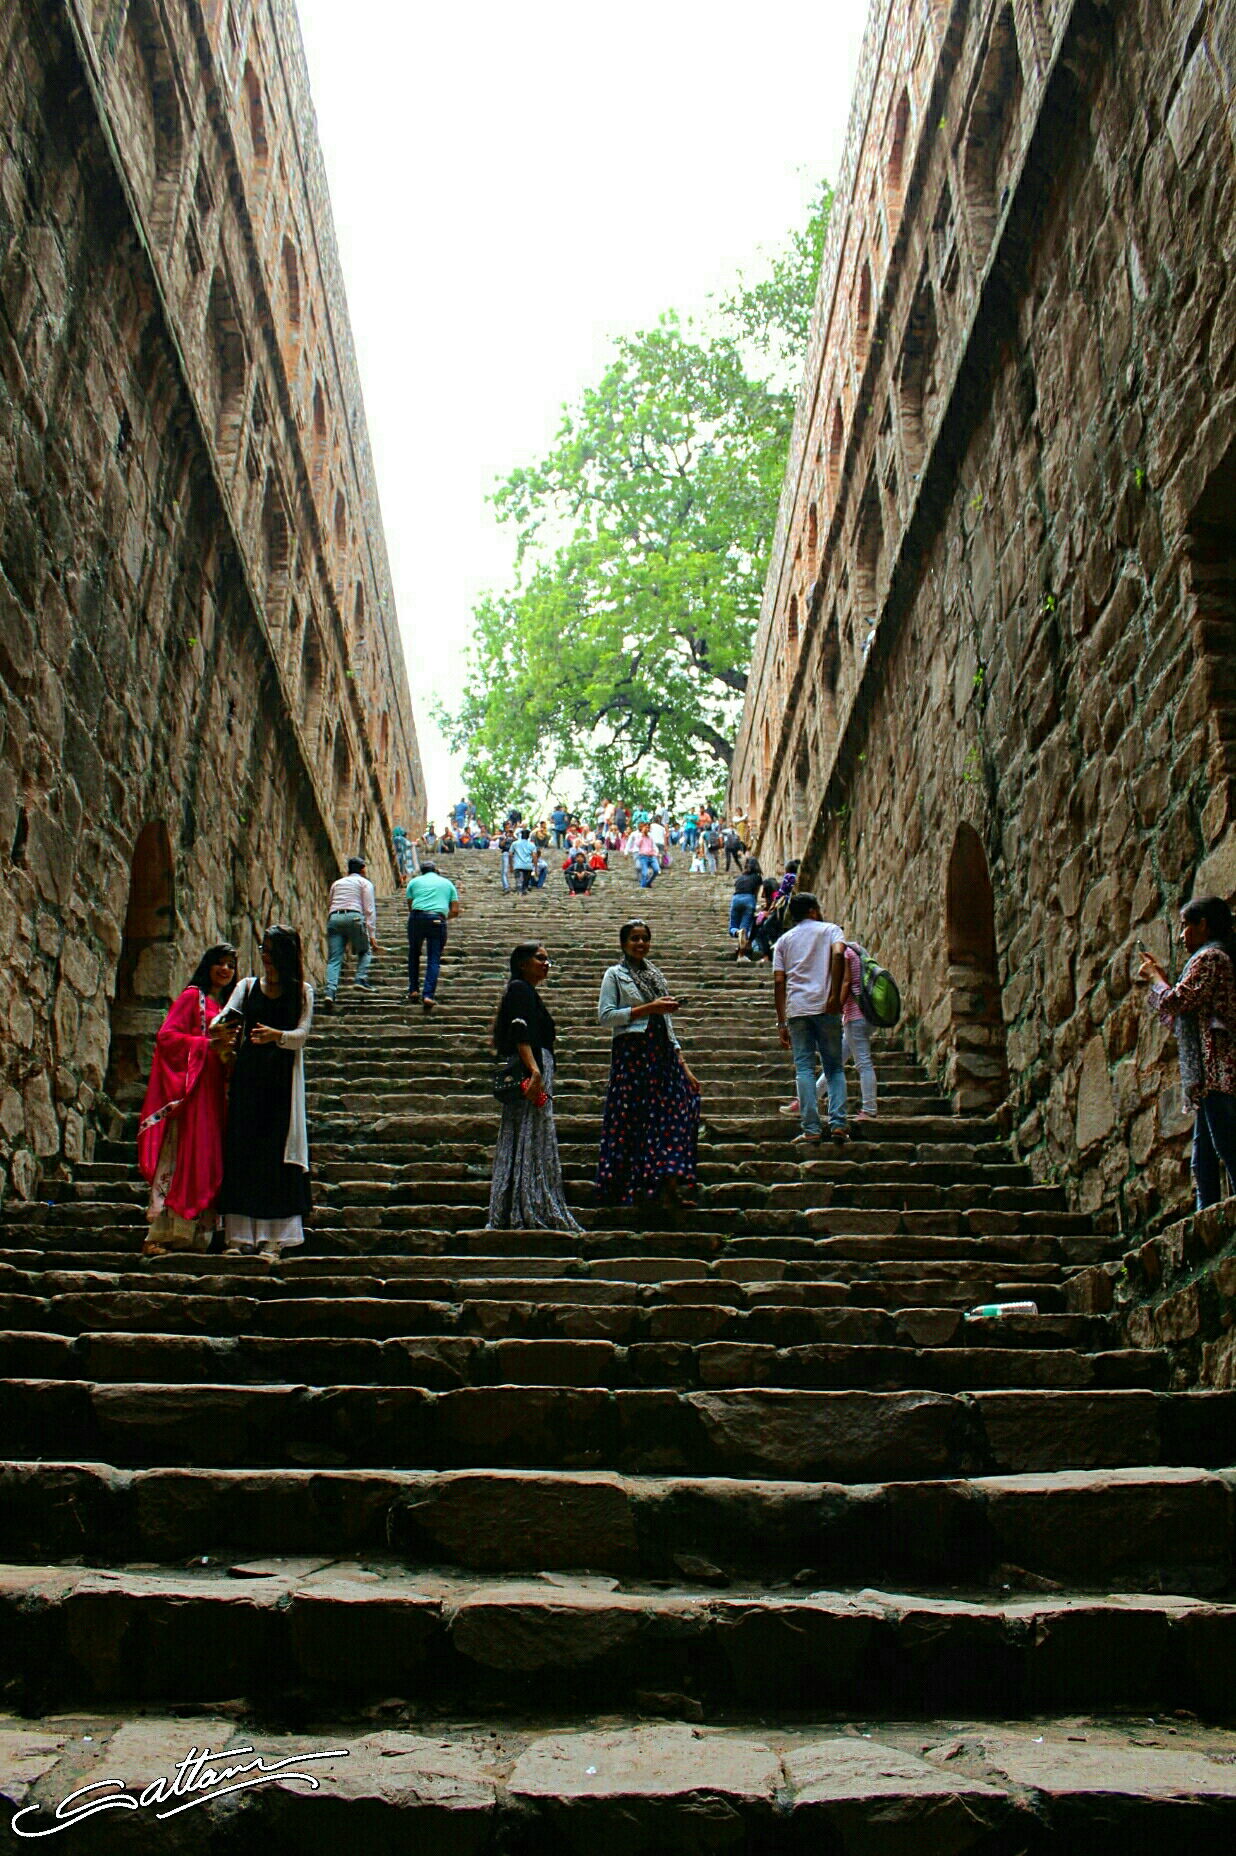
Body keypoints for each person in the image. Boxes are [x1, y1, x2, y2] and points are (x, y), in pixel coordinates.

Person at [217, 925, 313, 1259]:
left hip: (281, 1082)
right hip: (249, 1078)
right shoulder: (246, 987)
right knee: (244, 1151)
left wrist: (276, 1036)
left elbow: (302, 1034)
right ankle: (240, 1237)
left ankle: (275, 1239)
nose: (266, 958)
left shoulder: (302, 991)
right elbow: (224, 1018)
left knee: (276, 1156)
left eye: (272, 952)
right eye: (264, 950)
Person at [137, 942, 238, 1257]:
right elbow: (167, 1037)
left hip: (212, 1094)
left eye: (231, 966)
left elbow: (220, 1053)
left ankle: (195, 1236)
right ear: (208, 965)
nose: (225, 970)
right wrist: (205, 1045)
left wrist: (227, 1053)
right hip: (192, 1092)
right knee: (186, 1160)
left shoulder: (220, 1008)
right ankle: (159, 1235)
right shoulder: (191, 997)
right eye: (220, 963)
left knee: (206, 1161)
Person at [596, 920, 701, 1211]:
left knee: (669, 1118)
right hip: (632, 1054)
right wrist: (648, 1008)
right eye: (634, 939)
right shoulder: (614, 975)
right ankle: (633, 1190)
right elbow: (605, 1016)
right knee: (634, 1119)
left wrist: (684, 1065)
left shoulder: (655, 975)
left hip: (662, 1054)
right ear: (623, 943)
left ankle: (668, 1188)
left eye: (644, 938)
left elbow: (666, 1023)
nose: (640, 944)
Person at [1140, 894, 1236, 1209]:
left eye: (1185, 926)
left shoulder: (1210, 959)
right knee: (1204, 1159)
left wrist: (1155, 979)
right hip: (1210, 1076)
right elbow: (1186, 1013)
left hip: (1218, 1072)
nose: (1181, 935)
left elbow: (1176, 1003)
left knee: (1227, 1149)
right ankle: (1206, 1221)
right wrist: (1166, 982)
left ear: (1203, 925)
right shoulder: (1213, 960)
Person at [487, 943, 582, 1232]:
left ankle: (520, 1202)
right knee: (529, 1130)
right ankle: (527, 1203)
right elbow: (520, 1031)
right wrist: (535, 1071)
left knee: (527, 1132)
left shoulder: (522, 990)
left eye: (547, 958)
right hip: (532, 1069)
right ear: (523, 963)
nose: (547, 963)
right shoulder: (520, 989)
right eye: (540, 958)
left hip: (535, 1068)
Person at [774, 892, 848, 1145]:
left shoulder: (783, 941)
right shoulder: (831, 930)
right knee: (834, 1068)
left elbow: (779, 982)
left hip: (797, 1009)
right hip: (826, 1007)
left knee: (804, 1069)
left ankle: (811, 1128)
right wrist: (835, 995)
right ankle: (838, 1124)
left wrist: (781, 1022)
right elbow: (839, 955)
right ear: (814, 911)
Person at [322, 856, 381, 1012]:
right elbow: (369, 910)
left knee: (334, 958)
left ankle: (330, 991)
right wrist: (372, 935)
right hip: (354, 917)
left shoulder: (337, 883)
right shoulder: (364, 883)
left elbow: (330, 902)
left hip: (334, 918)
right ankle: (360, 978)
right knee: (365, 950)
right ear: (362, 869)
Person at [406, 859, 460, 1011]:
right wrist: (442, 917)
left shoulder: (413, 882)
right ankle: (428, 995)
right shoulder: (448, 883)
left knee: (413, 953)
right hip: (437, 919)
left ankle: (413, 990)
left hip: (416, 918)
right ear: (436, 870)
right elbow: (455, 910)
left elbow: (410, 906)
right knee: (433, 958)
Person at [841, 939, 878, 1120]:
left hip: (854, 1016)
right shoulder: (856, 948)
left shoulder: (842, 953)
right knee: (835, 1062)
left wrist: (835, 1006)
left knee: (863, 1063)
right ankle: (806, 1100)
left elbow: (846, 982)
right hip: (868, 1013)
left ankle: (869, 1109)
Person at [729, 856, 763, 956]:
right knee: (745, 928)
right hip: (749, 899)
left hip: (736, 899)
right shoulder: (757, 877)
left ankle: (737, 934)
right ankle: (741, 954)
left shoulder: (740, 878)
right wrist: (754, 905)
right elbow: (756, 893)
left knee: (733, 927)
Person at [511, 827, 536, 893]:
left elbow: (510, 854)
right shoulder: (532, 845)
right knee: (525, 883)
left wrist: (510, 865)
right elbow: (534, 856)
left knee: (518, 881)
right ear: (528, 836)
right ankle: (524, 891)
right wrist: (535, 868)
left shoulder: (515, 844)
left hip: (517, 865)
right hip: (528, 866)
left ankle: (518, 893)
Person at [633, 823, 659, 888]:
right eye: (646, 827)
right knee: (645, 873)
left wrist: (656, 853)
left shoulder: (650, 837)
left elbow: (652, 847)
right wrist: (642, 835)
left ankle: (648, 882)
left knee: (656, 870)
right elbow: (637, 844)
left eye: (648, 828)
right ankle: (643, 886)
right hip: (643, 856)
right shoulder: (639, 836)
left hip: (651, 856)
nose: (647, 829)